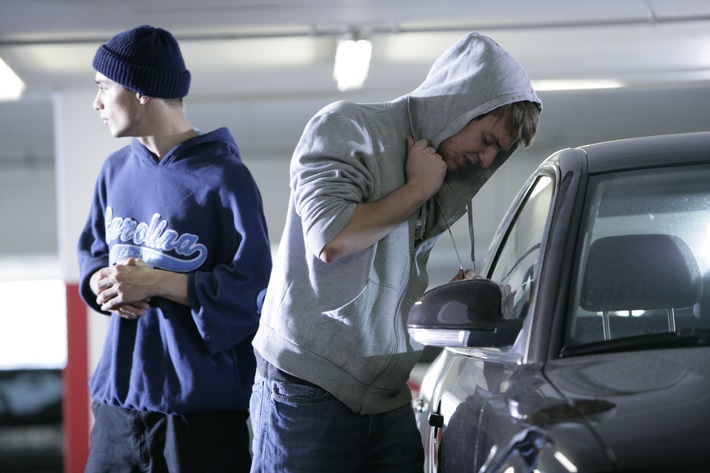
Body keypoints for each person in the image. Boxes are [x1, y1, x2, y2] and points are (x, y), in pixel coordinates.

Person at [250, 32, 542, 473]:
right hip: (310, 388)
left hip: (387, 396)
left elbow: (385, 274)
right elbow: (331, 239)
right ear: (455, 105)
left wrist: (445, 296)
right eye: (485, 139)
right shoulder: (347, 127)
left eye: (496, 152)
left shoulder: (444, 171)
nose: (485, 160)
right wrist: (417, 189)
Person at [76, 25, 272, 473]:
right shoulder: (114, 171)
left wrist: (158, 281)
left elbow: (254, 290)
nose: (98, 102)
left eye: (105, 87)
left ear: (142, 90)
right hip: (117, 408)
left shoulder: (224, 178)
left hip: (199, 416)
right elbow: (91, 251)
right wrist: (101, 281)